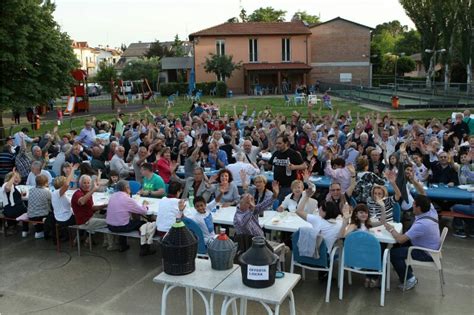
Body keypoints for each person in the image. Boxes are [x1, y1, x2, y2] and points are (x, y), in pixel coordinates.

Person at [385, 195, 441, 291]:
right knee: (396, 247)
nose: (412, 206)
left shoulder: (422, 225)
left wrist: (390, 229)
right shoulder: (431, 211)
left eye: (414, 204)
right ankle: (406, 272)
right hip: (429, 247)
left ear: (419, 208)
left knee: (393, 253)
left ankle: (409, 279)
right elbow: (422, 192)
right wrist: (414, 181)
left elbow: (400, 239)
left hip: (426, 253)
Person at [295, 184, 351, 255]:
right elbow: (342, 236)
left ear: (325, 212)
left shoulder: (317, 219)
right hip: (323, 258)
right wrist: (345, 221)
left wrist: (306, 196)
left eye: (320, 209)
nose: (318, 210)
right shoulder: (340, 224)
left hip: (305, 256)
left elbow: (298, 211)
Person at [106, 180, 156, 255]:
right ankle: (144, 249)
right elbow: (143, 211)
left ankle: (123, 245)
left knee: (123, 219)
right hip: (121, 227)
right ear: (126, 188)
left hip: (110, 226)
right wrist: (145, 204)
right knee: (144, 223)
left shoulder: (113, 196)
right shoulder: (127, 199)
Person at [71, 175, 108, 245]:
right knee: (111, 222)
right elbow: (82, 202)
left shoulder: (87, 193)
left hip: (90, 217)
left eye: (88, 183)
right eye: (84, 183)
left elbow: (92, 207)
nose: (87, 185)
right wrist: (93, 189)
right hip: (85, 222)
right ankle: (110, 244)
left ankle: (88, 239)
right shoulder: (77, 193)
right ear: (80, 184)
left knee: (107, 215)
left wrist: (105, 205)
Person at [268, 135, 306, 202]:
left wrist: (295, 167)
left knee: (286, 206)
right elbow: (269, 165)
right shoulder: (276, 153)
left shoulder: (293, 153)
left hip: (288, 186)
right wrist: (263, 163)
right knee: (277, 205)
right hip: (277, 186)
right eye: (276, 143)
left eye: (279, 143)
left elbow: (304, 166)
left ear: (286, 143)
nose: (277, 145)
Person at [1, 170, 29, 236]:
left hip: (10, 210)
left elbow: (16, 198)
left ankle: (12, 226)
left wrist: (21, 196)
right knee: (27, 211)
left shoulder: (15, 187)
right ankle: (25, 230)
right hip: (13, 211)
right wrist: (13, 176)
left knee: (25, 207)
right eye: (14, 177)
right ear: (10, 178)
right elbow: (7, 188)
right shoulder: (7, 185)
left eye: (18, 177)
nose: (17, 179)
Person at [27, 174, 52, 239]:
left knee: (38, 209)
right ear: (46, 183)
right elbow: (52, 200)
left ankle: (39, 231)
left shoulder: (31, 190)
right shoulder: (46, 192)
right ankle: (43, 232)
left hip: (31, 215)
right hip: (42, 215)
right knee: (51, 213)